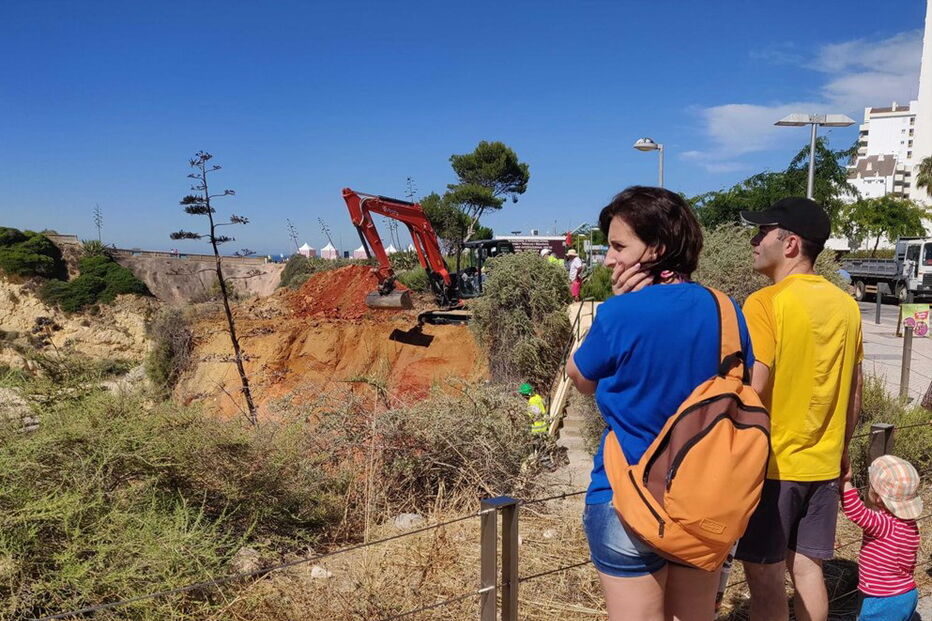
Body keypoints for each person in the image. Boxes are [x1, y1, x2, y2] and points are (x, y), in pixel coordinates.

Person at [566, 186, 754, 620]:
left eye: (618, 246)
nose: (609, 259)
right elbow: (751, 385)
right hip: (706, 499)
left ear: (657, 248)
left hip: (626, 496)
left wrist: (618, 308)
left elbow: (580, 378)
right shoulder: (726, 309)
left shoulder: (621, 313)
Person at [736, 197, 864, 621]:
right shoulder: (847, 305)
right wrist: (841, 450)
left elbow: (755, 385)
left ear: (790, 244)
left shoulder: (764, 303)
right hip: (823, 465)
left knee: (765, 578)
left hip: (774, 466)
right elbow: (855, 391)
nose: (754, 241)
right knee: (809, 571)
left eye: (762, 232)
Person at [841, 455, 921, 621]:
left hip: (884, 599)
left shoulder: (884, 524)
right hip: (907, 593)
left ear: (877, 497)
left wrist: (845, 482)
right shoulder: (911, 525)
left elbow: (856, 511)